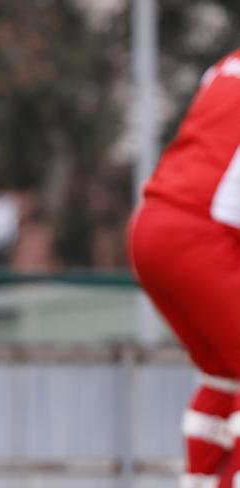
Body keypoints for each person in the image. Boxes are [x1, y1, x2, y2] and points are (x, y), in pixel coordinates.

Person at [128, 49, 240, 488]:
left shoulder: (226, 63)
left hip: (152, 224)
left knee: (224, 373)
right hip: (202, 235)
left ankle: (200, 479)